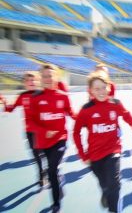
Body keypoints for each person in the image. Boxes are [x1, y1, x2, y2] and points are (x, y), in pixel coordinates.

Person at [73, 71, 132, 212]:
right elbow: (76, 132)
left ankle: (113, 209)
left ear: (109, 87)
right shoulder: (86, 110)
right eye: (97, 89)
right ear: (91, 90)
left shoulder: (115, 104)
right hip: (94, 155)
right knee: (105, 184)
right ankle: (105, 191)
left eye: (103, 87)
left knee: (114, 184)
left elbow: (127, 116)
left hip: (113, 150)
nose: (101, 91)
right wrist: (83, 154)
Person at [30, 64, 76, 213]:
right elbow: (31, 121)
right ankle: (58, 181)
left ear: (56, 77)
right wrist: (44, 131)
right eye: (44, 76)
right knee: (52, 171)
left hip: (60, 139)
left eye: (50, 75)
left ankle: (56, 203)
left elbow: (71, 113)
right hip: (43, 142)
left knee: (51, 169)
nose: (48, 78)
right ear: (41, 79)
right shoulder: (36, 98)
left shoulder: (63, 96)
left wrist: (84, 119)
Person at [2, 71, 46, 187]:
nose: (31, 82)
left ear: (38, 82)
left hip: (43, 130)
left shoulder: (43, 94)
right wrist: (3, 100)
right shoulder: (22, 96)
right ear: (24, 83)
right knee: (35, 153)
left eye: (33, 80)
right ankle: (41, 173)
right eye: (28, 80)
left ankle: (47, 169)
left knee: (44, 152)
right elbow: (10, 108)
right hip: (29, 131)